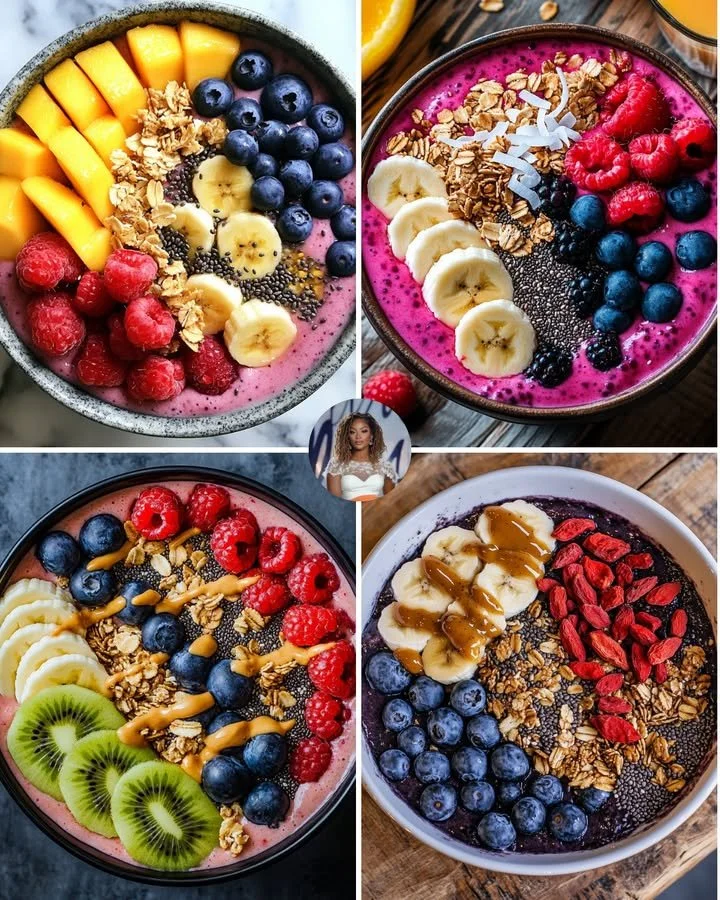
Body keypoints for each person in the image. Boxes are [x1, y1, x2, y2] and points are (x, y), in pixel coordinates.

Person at [325, 413, 397, 501]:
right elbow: (335, 502)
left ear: (371, 436)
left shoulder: (385, 467)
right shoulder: (336, 465)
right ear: (347, 437)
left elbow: (390, 500)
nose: (358, 437)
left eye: (364, 431)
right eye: (352, 432)